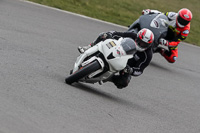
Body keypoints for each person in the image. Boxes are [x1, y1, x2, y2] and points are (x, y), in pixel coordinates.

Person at [78, 28, 154, 89]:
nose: (141, 44)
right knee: (103, 35)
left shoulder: (148, 55)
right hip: (118, 51)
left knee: (123, 82)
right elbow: (118, 34)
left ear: (149, 45)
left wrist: (130, 70)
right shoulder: (132, 35)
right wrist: (109, 35)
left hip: (125, 66)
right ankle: (89, 47)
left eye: (144, 44)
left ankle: (108, 77)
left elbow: (140, 70)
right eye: (140, 42)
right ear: (137, 37)